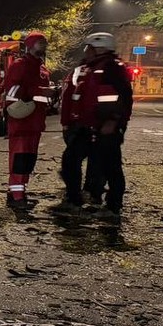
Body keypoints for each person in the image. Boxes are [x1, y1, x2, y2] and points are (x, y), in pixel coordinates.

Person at [55, 32, 132, 221]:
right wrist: (70, 122)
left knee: (110, 167)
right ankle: (74, 200)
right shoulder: (88, 68)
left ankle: (113, 207)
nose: (86, 52)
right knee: (70, 161)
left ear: (100, 48)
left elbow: (123, 98)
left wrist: (113, 121)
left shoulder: (113, 68)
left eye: (88, 48)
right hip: (86, 126)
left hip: (107, 128)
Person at [2, 32, 52, 209]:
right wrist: (36, 91)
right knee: (19, 159)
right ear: (30, 45)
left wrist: (52, 93)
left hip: (35, 120)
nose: (44, 45)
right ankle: (17, 196)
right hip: (22, 119)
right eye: (40, 42)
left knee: (28, 159)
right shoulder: (20, 65)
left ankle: (18, 192)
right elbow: (11, 90)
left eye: (44, 42)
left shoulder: (41, 68)